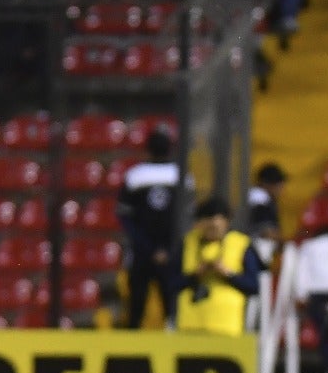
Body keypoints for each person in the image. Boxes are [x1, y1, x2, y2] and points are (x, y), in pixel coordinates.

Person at [116, 128, 184, 329]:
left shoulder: (135, 175)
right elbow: (184, 219)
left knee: (137, 306)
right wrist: (167, 249)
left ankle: (130, 352)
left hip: (141, 252)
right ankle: (174, 350)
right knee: (172, 307)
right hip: (171, 253)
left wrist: (149, 248)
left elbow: (126, 219)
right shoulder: (182, 176)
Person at [174, 196, 263, 337]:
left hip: (227, 329)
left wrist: (228, 274)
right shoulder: (187, 243)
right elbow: (171, 283)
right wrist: (195, 275)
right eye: (205, 224)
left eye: (215, 226)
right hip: (189, 327)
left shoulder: (241, 244)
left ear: (226, 222)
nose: (210, 230)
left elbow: (253, 286)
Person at [294, 224, 328, 366]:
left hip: (316, 294)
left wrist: (300, 295)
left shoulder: (309, 246)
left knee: (322, 331)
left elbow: (302, 271)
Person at [247, 162, 287, 265]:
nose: (281, 188)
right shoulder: (259, 198)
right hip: (255, 248)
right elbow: (265, 231)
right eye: (278, 184)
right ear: (265, 183)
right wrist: (282, 240)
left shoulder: (261, 197)